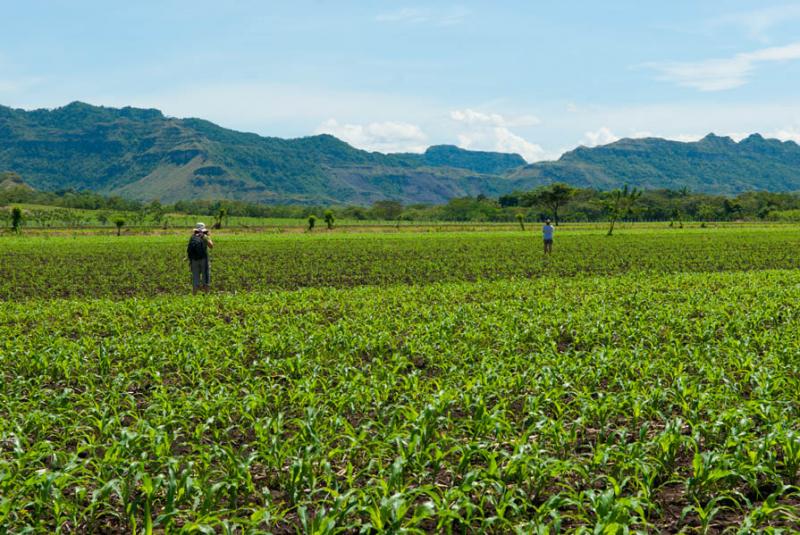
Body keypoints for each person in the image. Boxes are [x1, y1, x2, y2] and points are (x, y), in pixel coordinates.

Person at [187, 222, 214, 294]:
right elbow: (211, 246)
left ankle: (194, 296)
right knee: (206, 277)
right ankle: (207, 295)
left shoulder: (193, 237)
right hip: (204, 260)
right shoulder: (205, 236)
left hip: (194, 260)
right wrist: (205, 237)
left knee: (195, 278)